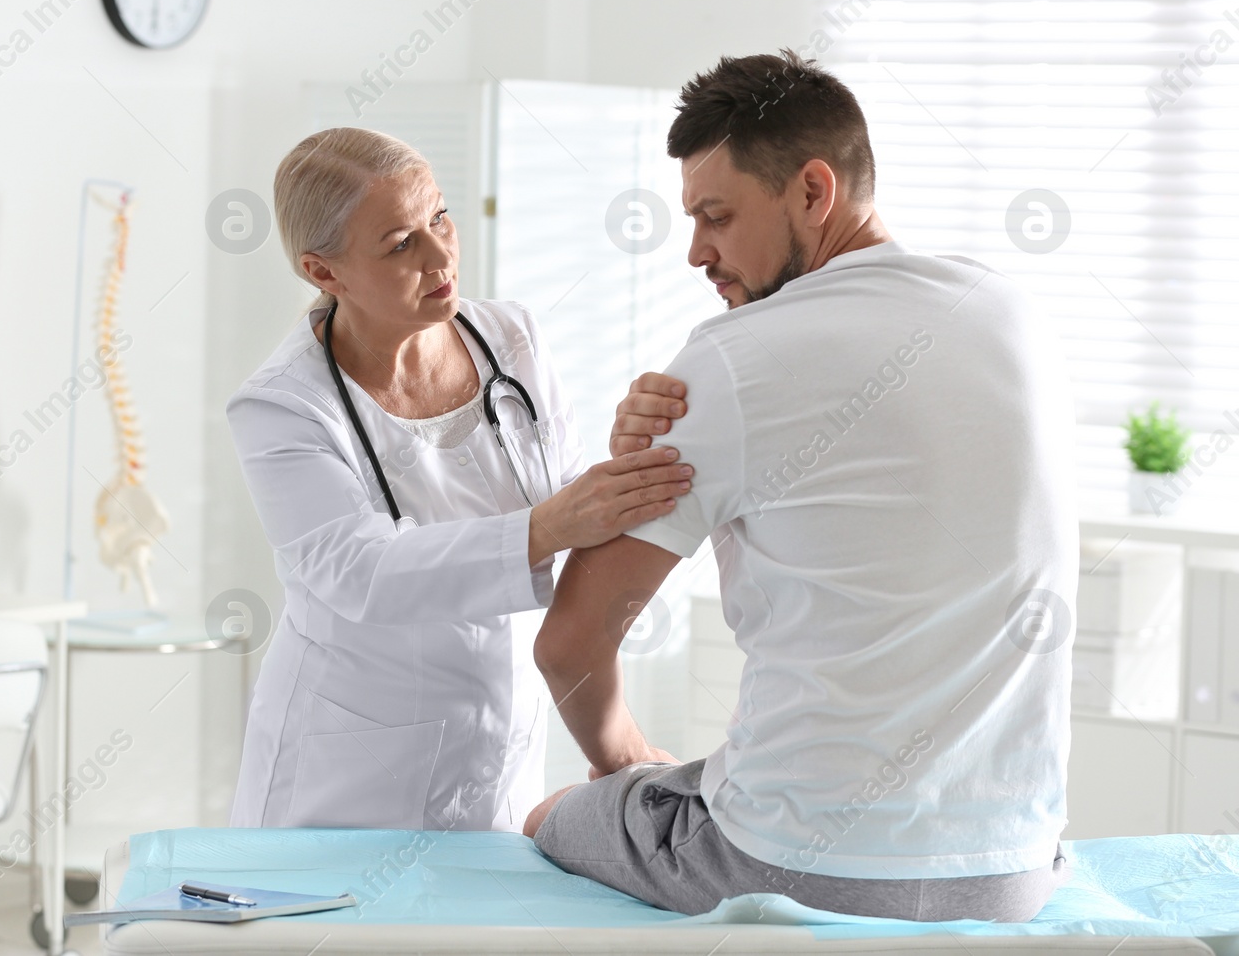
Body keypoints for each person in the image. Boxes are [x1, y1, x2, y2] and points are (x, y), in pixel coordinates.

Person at [525, 51, 1078, 922]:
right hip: (1013, 869)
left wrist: (625, 757)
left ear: (813, 192)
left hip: (797, 864)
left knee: (551, 815)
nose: (696, 251)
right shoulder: (1013, 314)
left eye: (716, 216)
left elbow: (568, 644)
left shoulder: (729, 359)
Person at [227, 126, 695, 831]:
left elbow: (574, 506)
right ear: (325, 272)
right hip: (349, 778)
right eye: (399, 244)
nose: (441, 253)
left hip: (499, 747)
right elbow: (359, 572)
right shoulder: (282, 406)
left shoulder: (514, 341)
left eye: (439, 217)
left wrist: (635, 447)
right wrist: (549, 524)